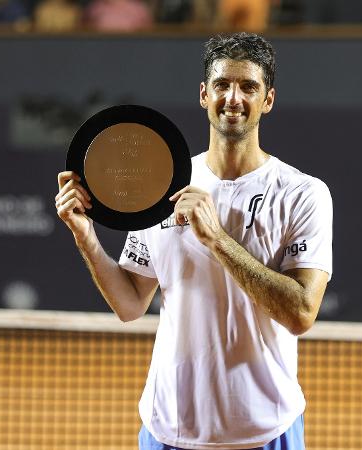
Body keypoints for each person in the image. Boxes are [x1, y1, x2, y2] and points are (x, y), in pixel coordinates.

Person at [55, 32, 333, 450]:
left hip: (263, 428)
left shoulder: (303, 193)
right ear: (205, 94)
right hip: (168, 427)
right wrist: (86, 236)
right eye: (222, 85)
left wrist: (217, 239)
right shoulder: (160, 183)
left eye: (248, 87)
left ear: (268, 100)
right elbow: (131, 304)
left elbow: (300, 313)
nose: (233, 98)